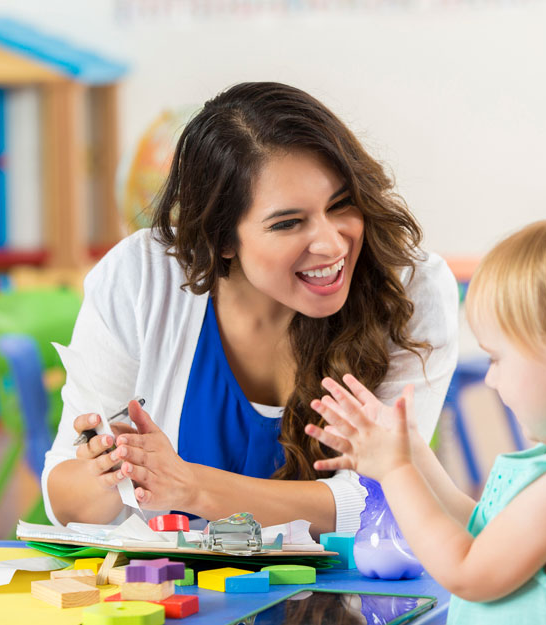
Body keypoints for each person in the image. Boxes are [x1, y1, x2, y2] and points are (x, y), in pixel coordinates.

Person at [41, 82, 459, 536]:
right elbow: (64, 500)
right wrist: (112, 471)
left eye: (341, 205)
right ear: (221, 238)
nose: (332, 243)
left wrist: (192, 486)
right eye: (288, 223)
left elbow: (388, 502)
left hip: (346, 600)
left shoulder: (408, 289)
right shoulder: (140, 277)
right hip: (179, 598)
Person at [306, 212, 546, 622]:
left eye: (497, 358)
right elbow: (481, 531)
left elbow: (467, 569)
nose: (492, 380)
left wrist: (395, 472)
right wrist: (414, 452)